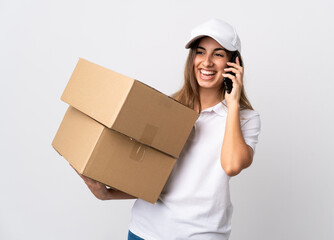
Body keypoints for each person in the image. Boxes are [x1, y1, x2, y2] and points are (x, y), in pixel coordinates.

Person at [77, 18, 261, 240]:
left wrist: (232, 104)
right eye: (200, 52)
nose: (207, 62)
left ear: (235, 63)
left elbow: (231, 166)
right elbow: (153, 178)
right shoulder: (167, 108)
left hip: (201, 235)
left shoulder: (245, 119)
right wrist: (108, 194)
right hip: (146, 231)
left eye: (218, 54)